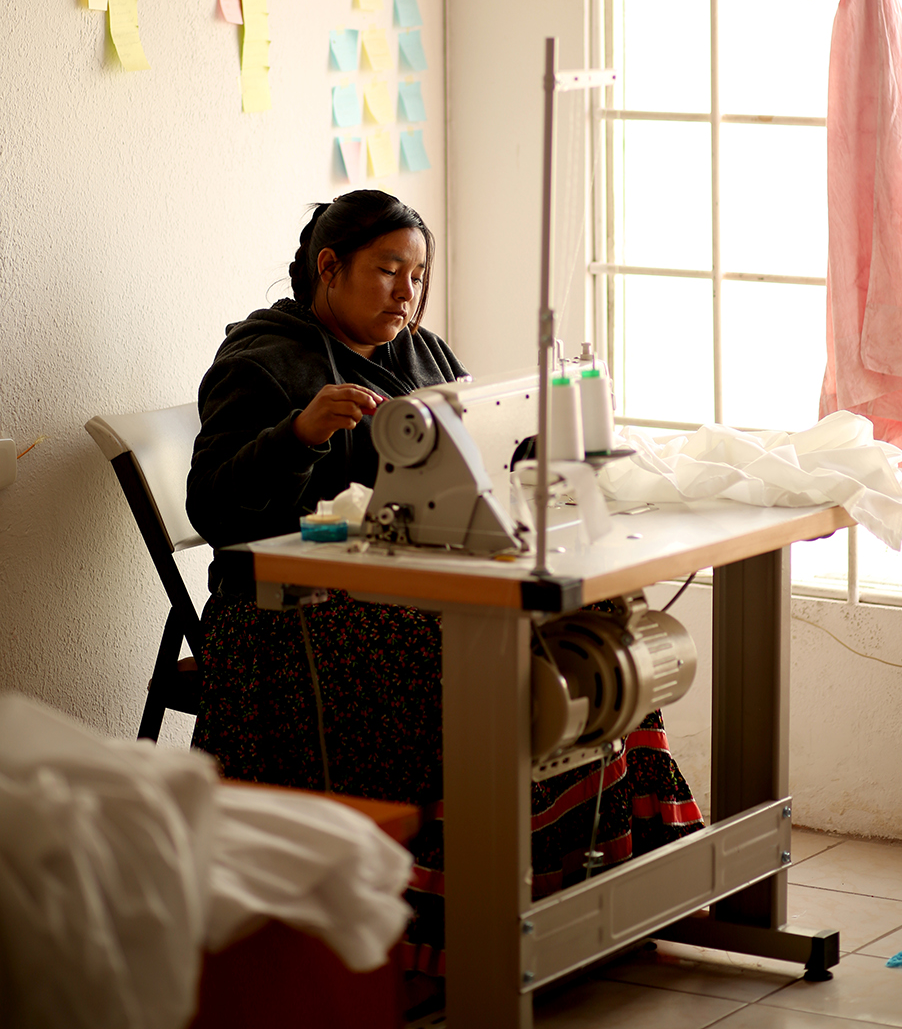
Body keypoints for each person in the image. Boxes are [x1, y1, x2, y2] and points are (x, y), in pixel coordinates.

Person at [188, 190, 702, 977]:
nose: (408, 292)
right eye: (388, 270)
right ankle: (469, 919)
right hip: (283, 611)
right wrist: (297, 435)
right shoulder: (262, 362)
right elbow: (215, 507)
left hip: (405, 581)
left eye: (419, 275)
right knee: (476, 648)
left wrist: (537, 451)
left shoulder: (420, 353)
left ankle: (599, 873)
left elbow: (475, 455)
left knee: (591, 616)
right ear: (330, 268)